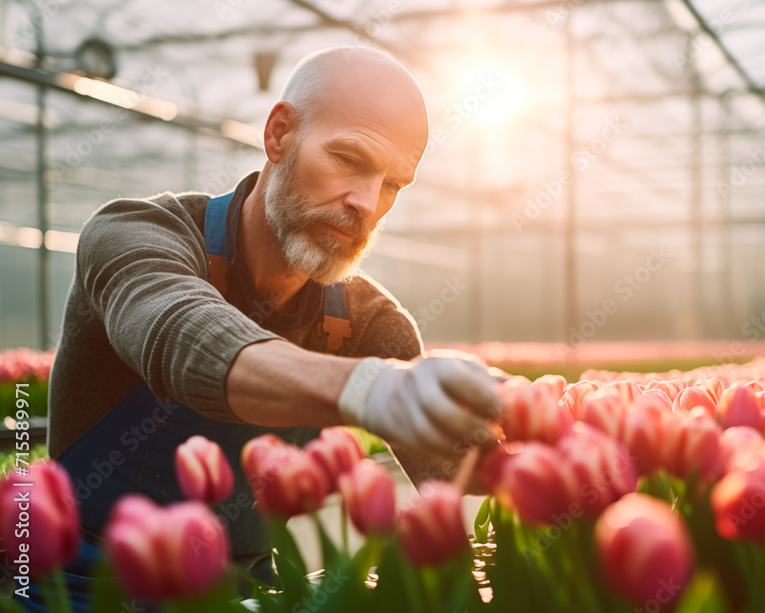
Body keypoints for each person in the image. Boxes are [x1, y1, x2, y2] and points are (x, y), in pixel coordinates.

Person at [40, 46, 501, 611]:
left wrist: (552, 441)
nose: (365, 204)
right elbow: (185, 336)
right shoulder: (135, 235)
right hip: (77, 590)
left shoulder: (368, 321)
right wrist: (369, 389)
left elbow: (454, 467)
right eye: (349, 159)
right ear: (279, 134)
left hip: (246, 594)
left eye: (392, 185)